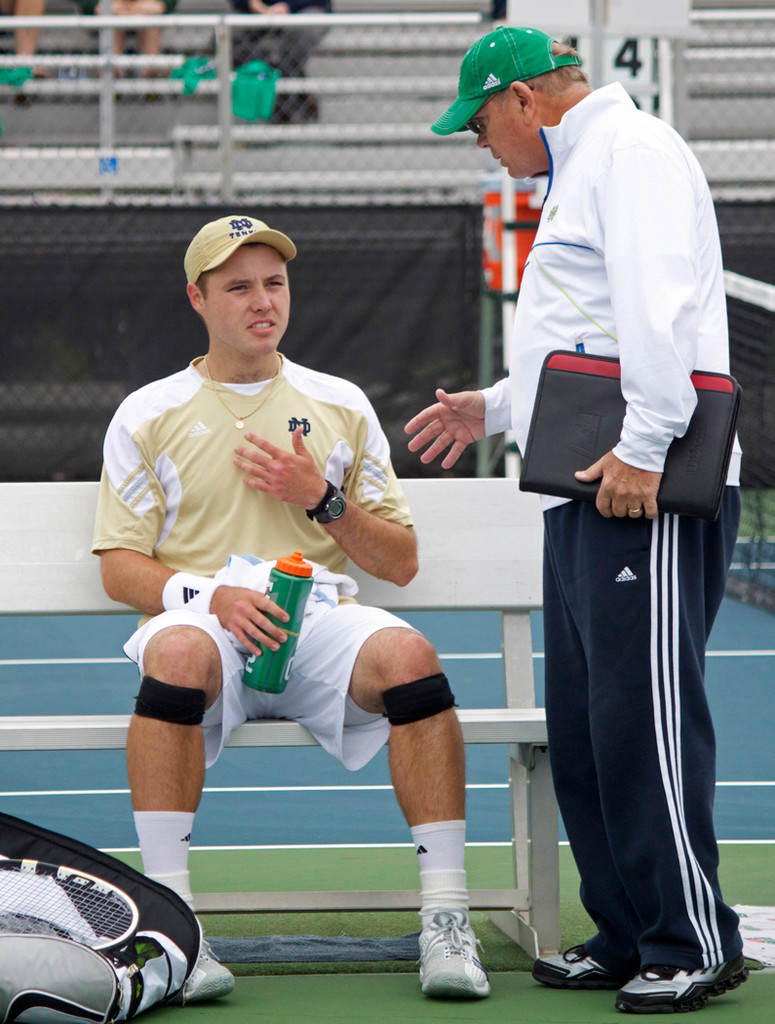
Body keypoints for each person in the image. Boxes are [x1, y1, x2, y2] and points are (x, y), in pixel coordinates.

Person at [405, 25, 747, 1017]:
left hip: (636, 479)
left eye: (478, 124)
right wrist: (498, 408)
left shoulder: (627, 151)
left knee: (642, 717)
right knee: (589, 723)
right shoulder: (589, 161)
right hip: (584, 480)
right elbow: (583, 333)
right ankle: (630, 928)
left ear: (521, 100)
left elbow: (657, 310)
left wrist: (645, 446)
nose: (480, 144)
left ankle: (689, 937)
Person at [92, 214, 490, 1004]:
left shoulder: (337, 404)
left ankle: (447, 921)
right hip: (206, 621)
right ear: (196, 299)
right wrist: (213, 596)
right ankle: (174, 931)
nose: (261, 300)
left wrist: (322, 499)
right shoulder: (148, 411)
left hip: (317, 623)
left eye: (273, 283)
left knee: (411, 659)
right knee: (174, 655)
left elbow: (398, 563)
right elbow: (119, 566)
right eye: (237, 286)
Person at [228, 0, 331, 123]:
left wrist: (288, 6)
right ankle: (298, 88)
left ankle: (282, 108)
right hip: (257, 12)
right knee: (224, 38)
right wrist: (253, 4)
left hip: (304, 8)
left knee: (299, 36)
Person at [71, 0, 177, 76]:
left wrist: (161, 4)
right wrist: (95, 5)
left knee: (151, 18)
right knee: (111, 17)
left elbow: (159, 6)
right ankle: (110, 72)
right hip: (110, 10)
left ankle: (153, 70)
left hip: (148, 8)